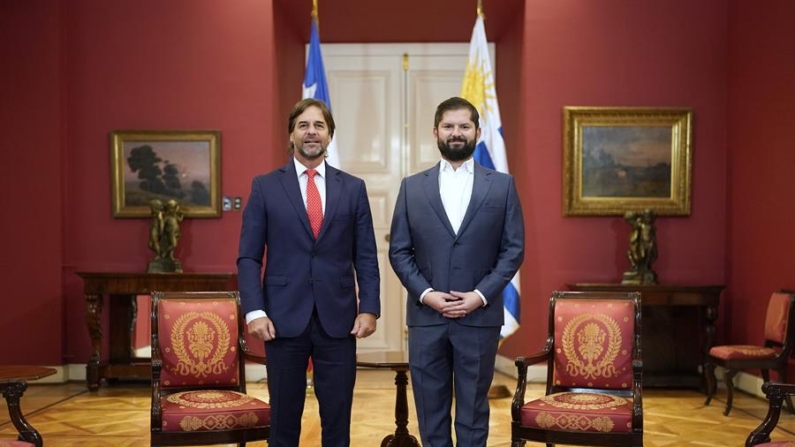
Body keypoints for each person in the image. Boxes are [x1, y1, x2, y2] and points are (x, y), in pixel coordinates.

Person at [237, 98, 380, 447]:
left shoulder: (353, 188)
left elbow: (365, 256)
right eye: (303, 125)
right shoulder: (265, 186)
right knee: (284, 421)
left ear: (330, 135)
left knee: (337, 419)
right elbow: (248, 257)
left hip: (339, 319)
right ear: (291, 135)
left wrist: (369, 308)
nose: (311, 132)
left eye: (319, 125)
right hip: (282, 320)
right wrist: (254, 310)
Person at [388, 97, 524, 447]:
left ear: (478, 132)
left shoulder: (503, 186)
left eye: (464, 126)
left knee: (474, 413)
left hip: (479, 318)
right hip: (426, 317)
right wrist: (426, 294)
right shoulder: (411, 187)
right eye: (448, 126)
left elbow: (513, 250)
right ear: (435, 132)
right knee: (430, 414)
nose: (456, 133)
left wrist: (479, 296)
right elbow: (399, 251)